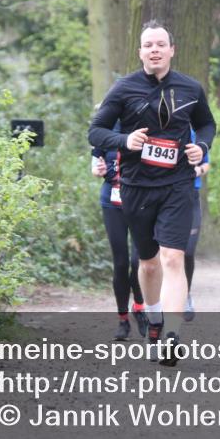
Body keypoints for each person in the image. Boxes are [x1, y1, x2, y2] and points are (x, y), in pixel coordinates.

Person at [89, 21, 215, 366]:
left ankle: (172, 334)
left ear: (172, 49)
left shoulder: (191, 88)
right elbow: (96, 132)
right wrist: (124, 141)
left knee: (173, 257)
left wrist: (199, 147)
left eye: (161, 44)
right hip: (136, 185)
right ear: (140, 52)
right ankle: (155, 317)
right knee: (147, 262)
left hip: (177, 185)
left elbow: (207, 124)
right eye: (149, 45)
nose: (155, 50)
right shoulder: (123, 88)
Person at [91, 120, 150, 341]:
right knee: (121, 262)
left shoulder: (145, 128)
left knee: (139, 262)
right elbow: (95, 167)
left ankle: (139, 306)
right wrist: (98, 169)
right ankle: (123, 319)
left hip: (139, 201)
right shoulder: (104, 132)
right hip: (112, 202)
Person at [184, 129, 209, 322]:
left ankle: (186, 293)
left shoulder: (196, 133)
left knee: (188, 251)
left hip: (191, 196)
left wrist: (197, 171)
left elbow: (206, 164)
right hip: (167, 196)